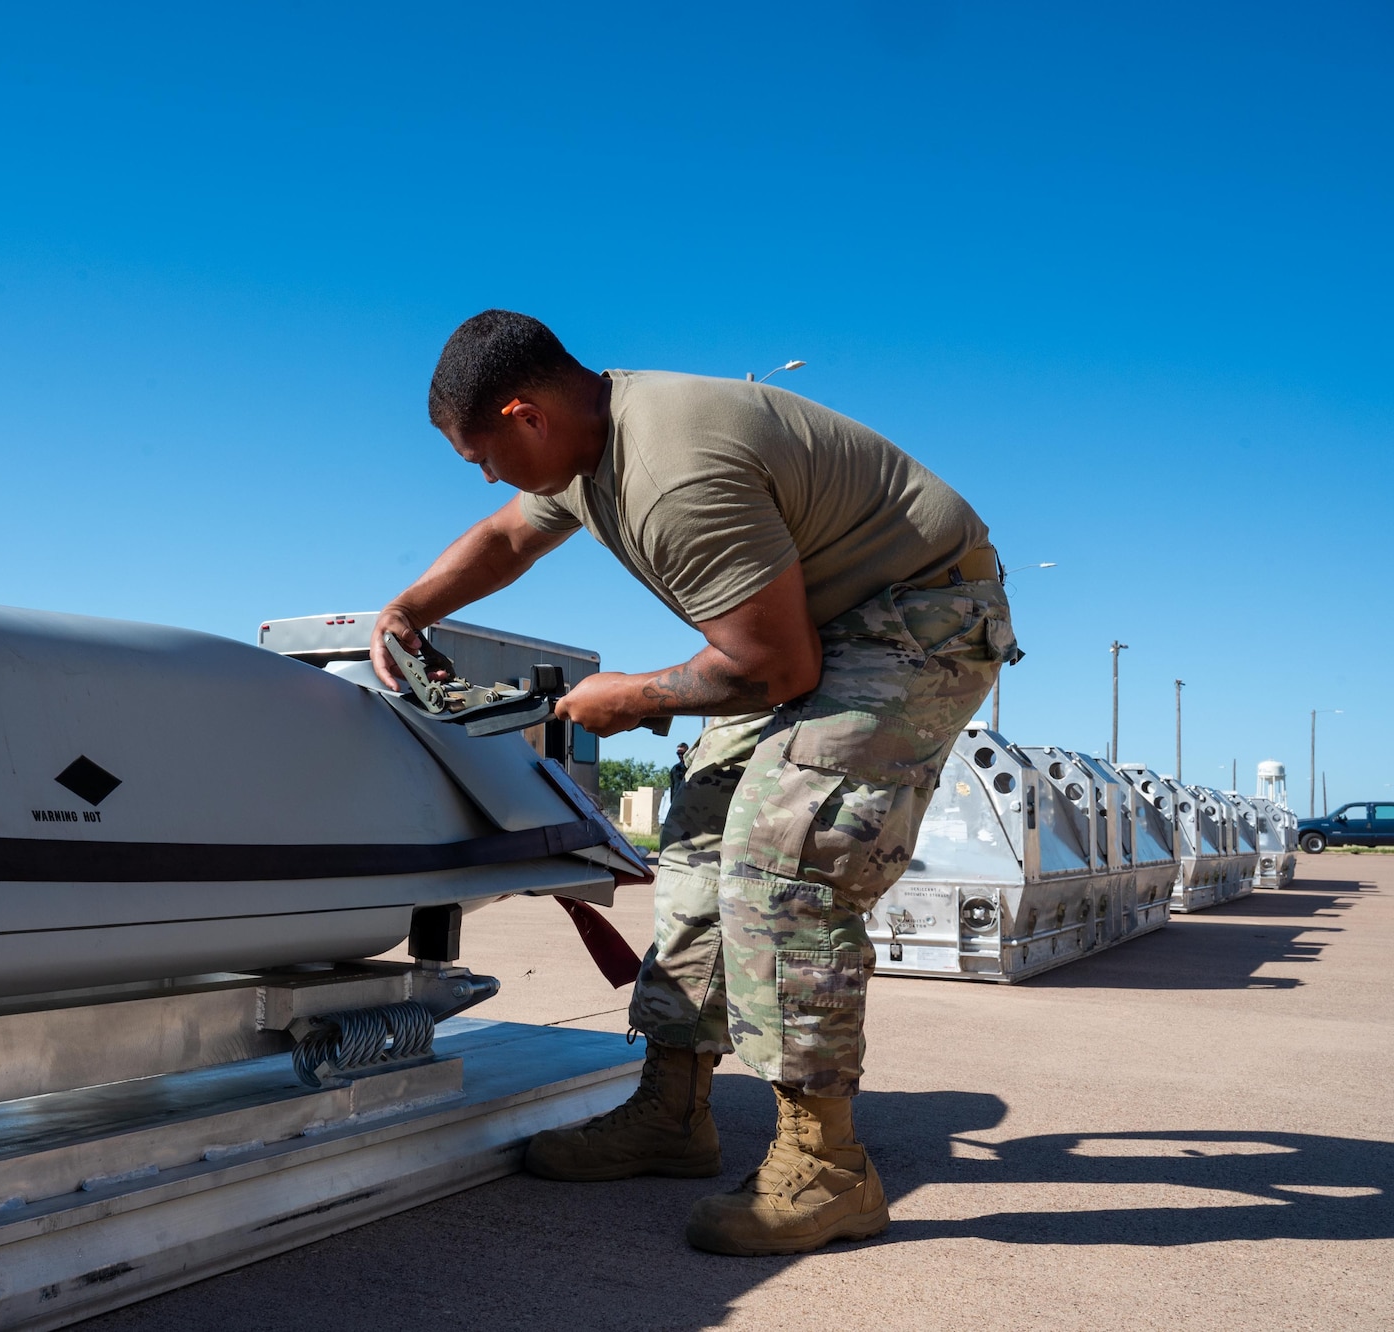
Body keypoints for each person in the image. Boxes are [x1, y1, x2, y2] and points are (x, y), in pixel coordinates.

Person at [371, 310, 1018, 1257]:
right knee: (700, 848)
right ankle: (673, 1113)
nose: (483, 473)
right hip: (815, 628)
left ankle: (828, 1168)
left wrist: (626, 697)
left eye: (482, 452)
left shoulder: (671, 472)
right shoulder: (586, 454)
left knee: (782, 860)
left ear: (526, 413)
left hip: (909, 618)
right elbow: (507, 538)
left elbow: (775, 669)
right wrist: (407, 609)